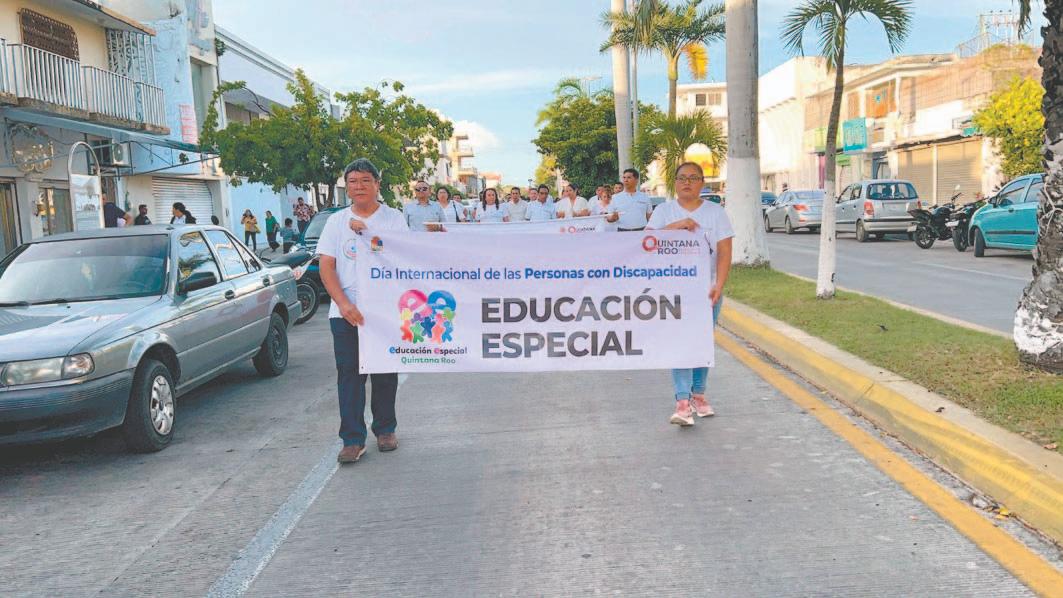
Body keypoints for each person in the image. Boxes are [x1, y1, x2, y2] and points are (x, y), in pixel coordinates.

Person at [318, 158, 408, 464]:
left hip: (384, 311)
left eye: (366, 181)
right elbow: (326, 266)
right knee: (349, 375)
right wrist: (344, 304)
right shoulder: (336, 222)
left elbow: (402, 257)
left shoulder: (394, 219)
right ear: (347, 187)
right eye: (353, 182)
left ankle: (385, 429)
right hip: (345, 312)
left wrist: (368, 234)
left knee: (385, 372)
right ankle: (352, 439)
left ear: (377, 184)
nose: (359, 187)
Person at [646, 161, 734, 427]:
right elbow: (646, 242)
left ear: (702, 183)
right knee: (680, 341)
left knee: (702, 342)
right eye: (682, 177)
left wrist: (719, 285)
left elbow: (724, 252)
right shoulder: (663, 211)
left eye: (693, 178)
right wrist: (678, 225)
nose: (687, 182)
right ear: (675, 182)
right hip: (672, 291)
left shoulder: (715, 213)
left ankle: (699, 394)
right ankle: (682, 401)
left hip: (706, 290)